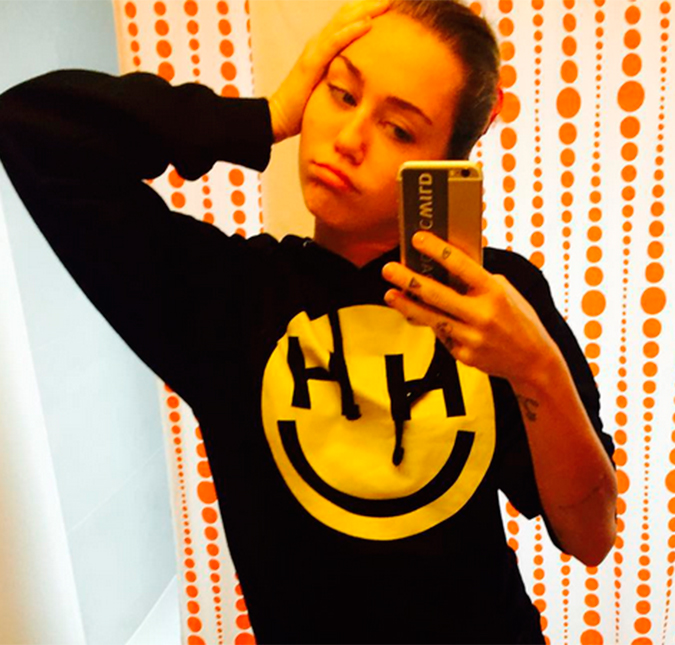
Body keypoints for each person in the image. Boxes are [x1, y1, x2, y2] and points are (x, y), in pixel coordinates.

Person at [0, 0, 617, 642]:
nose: (349, 140)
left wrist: (536, 368)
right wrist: (262, 117)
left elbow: (591, 536)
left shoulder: (495, 304)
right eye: (341, 93)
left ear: (445, 159)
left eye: (399, 129)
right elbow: (32, 125)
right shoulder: (227, 299)